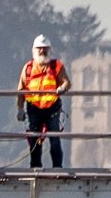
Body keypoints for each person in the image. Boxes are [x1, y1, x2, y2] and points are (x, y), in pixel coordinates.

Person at [15, 34, 70, 168]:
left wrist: (62, 88)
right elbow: (21, 90)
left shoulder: (56, 66)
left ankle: (57, 168)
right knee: (34, 141)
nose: (42, 51)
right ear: (34, 50)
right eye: (39, 48)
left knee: (54, 140)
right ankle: (35, 168)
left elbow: (66, 82)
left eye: (45, 48)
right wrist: (20, 109)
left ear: (49, 50)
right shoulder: (28, 68)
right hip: (34, 109)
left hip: (52, 109)